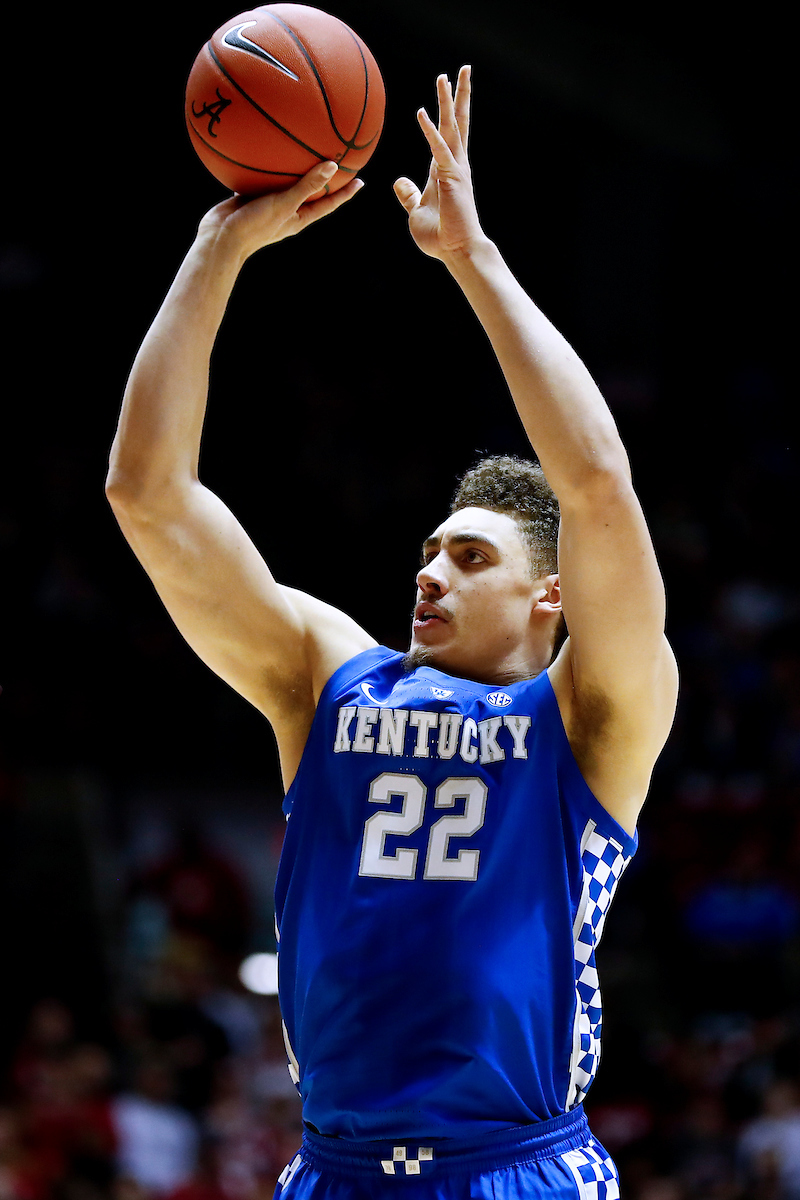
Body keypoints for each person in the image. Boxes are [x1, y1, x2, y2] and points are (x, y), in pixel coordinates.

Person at [107, 67, 678, 1199]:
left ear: (549, 597)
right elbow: (147, 494)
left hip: (515, 1167)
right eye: (426, 550)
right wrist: (216, 249)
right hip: (335, 1168)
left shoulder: (589, 716)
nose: (429, 573)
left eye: (469, 558)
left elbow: (598, 483)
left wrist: (471, 258)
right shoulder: (326, 676)